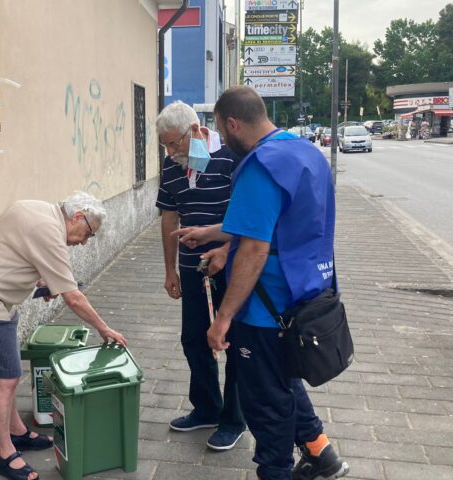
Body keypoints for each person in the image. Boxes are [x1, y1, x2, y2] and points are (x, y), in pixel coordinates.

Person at [174, 86, 349, 480]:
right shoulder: (304, 152)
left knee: (266, 406)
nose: (221, 138)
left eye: (221, 129)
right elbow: (272, 220)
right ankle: (322, 455)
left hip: (267, 309)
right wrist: (215, 233)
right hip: (307, 296)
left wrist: (222, 318)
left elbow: (254, 248)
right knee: (285, 380)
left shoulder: (261, 165)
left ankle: (277, 472)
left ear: (232, 123)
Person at [0, 191, 127, 480]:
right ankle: (5, 454)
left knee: (7, 372)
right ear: (77, 216)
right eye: (88, 234)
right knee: (6, 378)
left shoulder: (35, 208)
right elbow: (74, 299)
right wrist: (104, 328)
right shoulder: (50, 232)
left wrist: (42, 279)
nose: (83, 242)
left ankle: (17, 432)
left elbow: (13, 249)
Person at [155, 101, 246, 450]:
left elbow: (247, 218)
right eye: (165, 145)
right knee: (194, 338)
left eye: (174, 143)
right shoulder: (171, 165)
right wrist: (170, 270)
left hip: (232, 265)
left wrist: (223, 249)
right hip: (193, 267)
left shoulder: (230, 160)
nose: (170, 151)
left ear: (195, 132)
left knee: (234, 341)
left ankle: (234, 419)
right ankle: (207, 407)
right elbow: (168, 217)